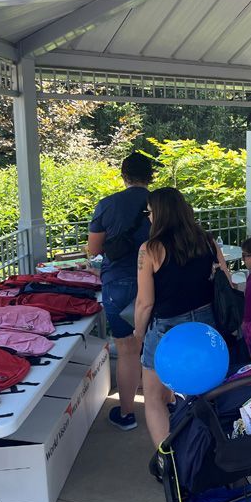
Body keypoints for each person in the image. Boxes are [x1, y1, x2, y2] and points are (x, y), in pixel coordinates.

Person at [134, 187, 230, 449]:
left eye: (150, 212)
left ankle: (171, 463)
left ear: (161, 214)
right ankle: (208, 449)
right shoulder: (207, 241)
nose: (149, 218)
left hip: (167, 329)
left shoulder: (150, 249)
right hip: (205, 326)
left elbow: (145, 303)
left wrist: (139, 334)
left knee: (153, 397)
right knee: (204, 393)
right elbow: (226, 283)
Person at [87, 152, 153, 432]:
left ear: (123, 175)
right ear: (151, 176)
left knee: (127, 350)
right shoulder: (161, 203)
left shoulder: (108, 205)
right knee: (155, 344)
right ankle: (169, 401)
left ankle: (127, 414)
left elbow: (94, 250)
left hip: (119, 284)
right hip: (157, 280)